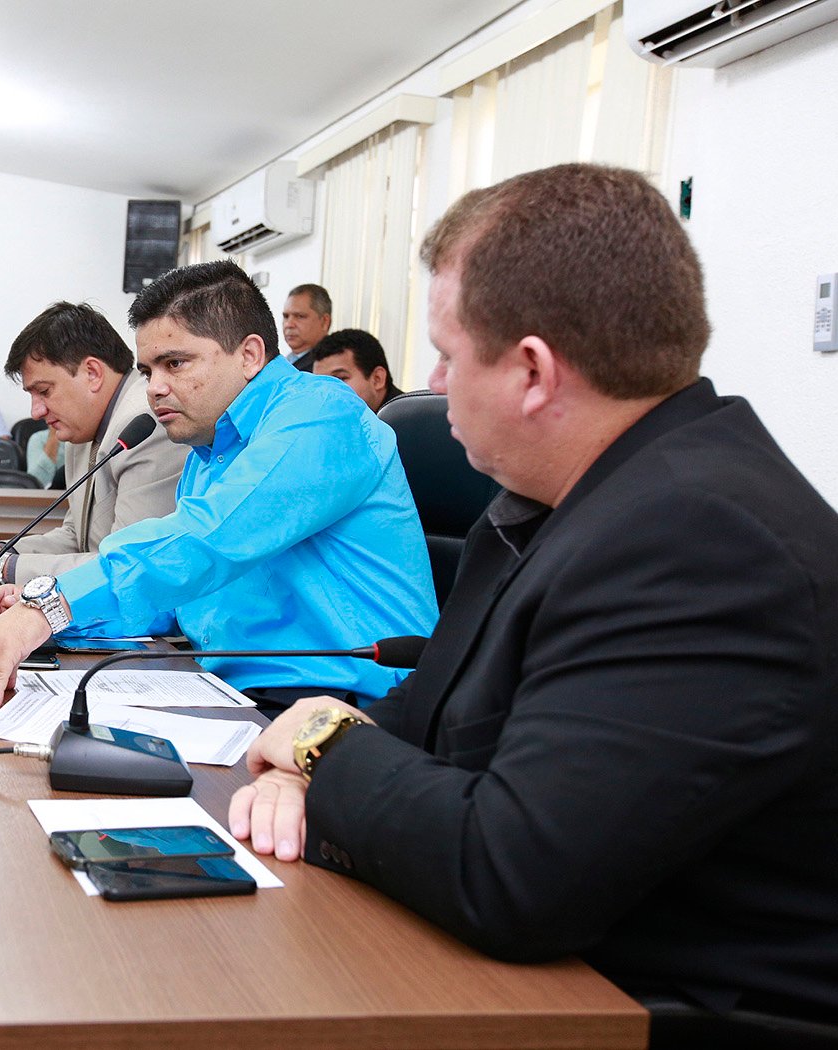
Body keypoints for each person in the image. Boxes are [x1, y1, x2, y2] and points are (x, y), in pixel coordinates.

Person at [229, 164, 838, 1025]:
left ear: (531, 372)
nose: (432, 385)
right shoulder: (557, 502)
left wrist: (321, 743)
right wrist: (307, 768)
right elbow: (426, 717)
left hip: (641, 1013)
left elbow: (510, 874)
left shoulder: (701, 540)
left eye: (445, 354)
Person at [0, 261, 437, 711]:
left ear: (249, 355)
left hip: (348, 705)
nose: (153, 387)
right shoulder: (206, 448)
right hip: (231, 691)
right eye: (147, 370)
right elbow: (180, 599)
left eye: (175, 363)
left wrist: (53, 605)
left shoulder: (319, 415)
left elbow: (208, 539)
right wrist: (60, 611)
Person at [0, 302, 187, 590]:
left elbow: (129, 568)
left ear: (92, 373)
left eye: (44, 391)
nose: (36, 412)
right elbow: (75, 536)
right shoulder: (82, 426)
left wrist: (2, 567)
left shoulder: (146, 426)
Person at [310, 329, 403, 411]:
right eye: (319, 383)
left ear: (377, 379)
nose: (326, 392)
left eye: (340, 379)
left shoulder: (410, 424)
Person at [281, 284, 332, 370]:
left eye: (300, 316)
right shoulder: (281, 362)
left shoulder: (331, 366)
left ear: (324, 322)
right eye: (286, 316)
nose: (288, 324)